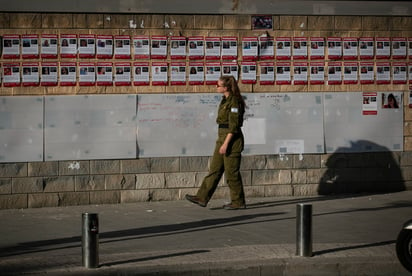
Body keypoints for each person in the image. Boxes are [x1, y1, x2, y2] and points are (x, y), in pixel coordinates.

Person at [185, 75, 246, 210]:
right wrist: (222, 142)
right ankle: (202, 197)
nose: (216, 87)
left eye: (218, 85)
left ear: (226, 87)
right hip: (222, 137)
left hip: (232, 139)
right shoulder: (224, 100)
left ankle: (238, 201)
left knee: (231, 173)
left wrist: (226, 144)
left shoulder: (234, 102)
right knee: (215, 169)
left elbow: (234, 126)